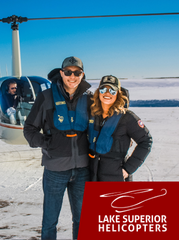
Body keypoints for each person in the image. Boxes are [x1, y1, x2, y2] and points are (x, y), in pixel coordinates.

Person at [24, 56, 92, 240]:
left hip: (83, 170)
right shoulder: (45, 98)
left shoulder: (90, 99)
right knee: (49, 222)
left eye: (77, 72)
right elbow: (29, 130)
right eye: (68, 72)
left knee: (82, 219)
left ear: (82, 75)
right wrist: (48, 144)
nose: (72, 76)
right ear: (61, 73)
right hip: (55, 170)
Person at [88, 75, 152, 181]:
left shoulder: (127, 117)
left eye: (112, 91)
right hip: (94, 176)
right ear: (98, 92)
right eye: (103, 89)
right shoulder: (94, 115)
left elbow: (146, 141)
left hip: (116, 178)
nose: (107, 93)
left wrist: (128, 169)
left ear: (118, 94)